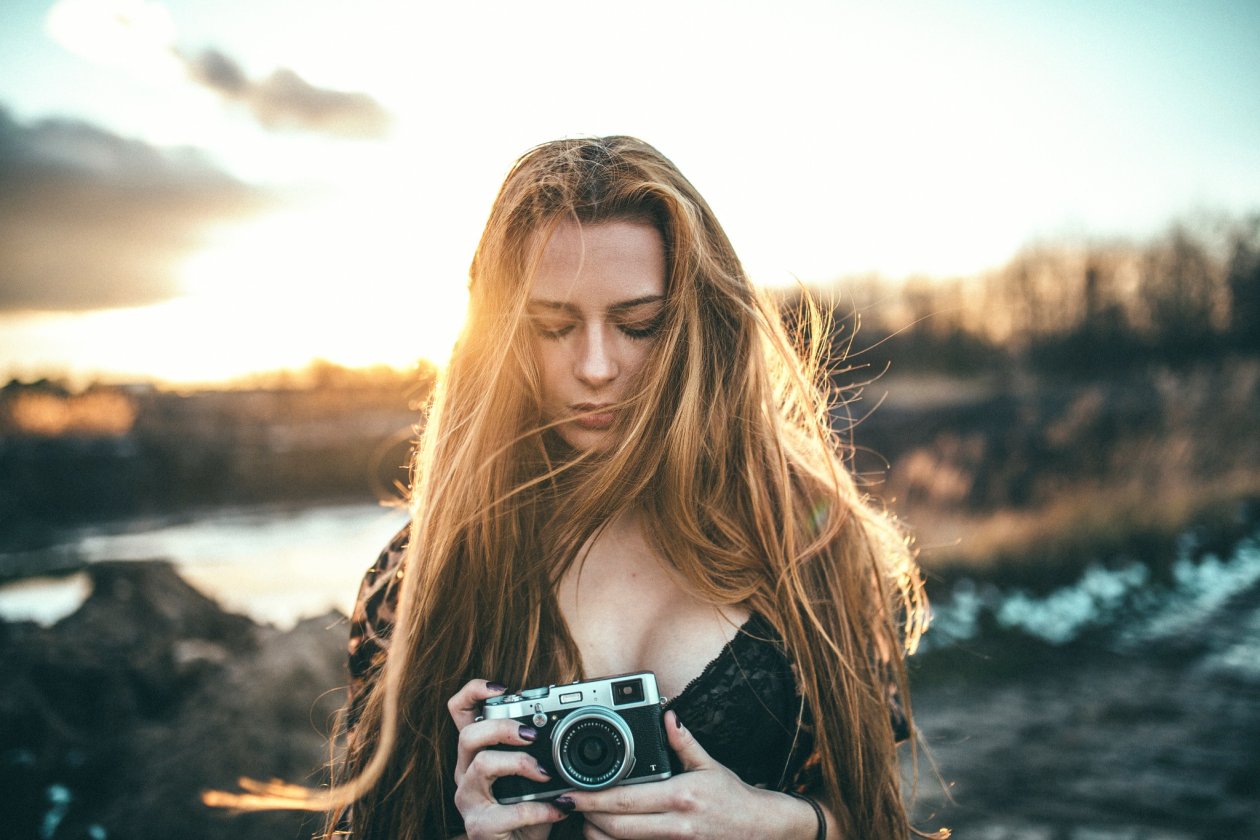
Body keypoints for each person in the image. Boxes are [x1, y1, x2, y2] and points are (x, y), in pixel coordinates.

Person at [211, 136, 940, 839]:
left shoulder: (811, 542)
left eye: (639, 324)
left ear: (698, 324)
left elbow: (876, 816)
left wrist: (779, 826)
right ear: (497, 336)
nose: (595, 367)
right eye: (552, 326)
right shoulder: (424, 574)